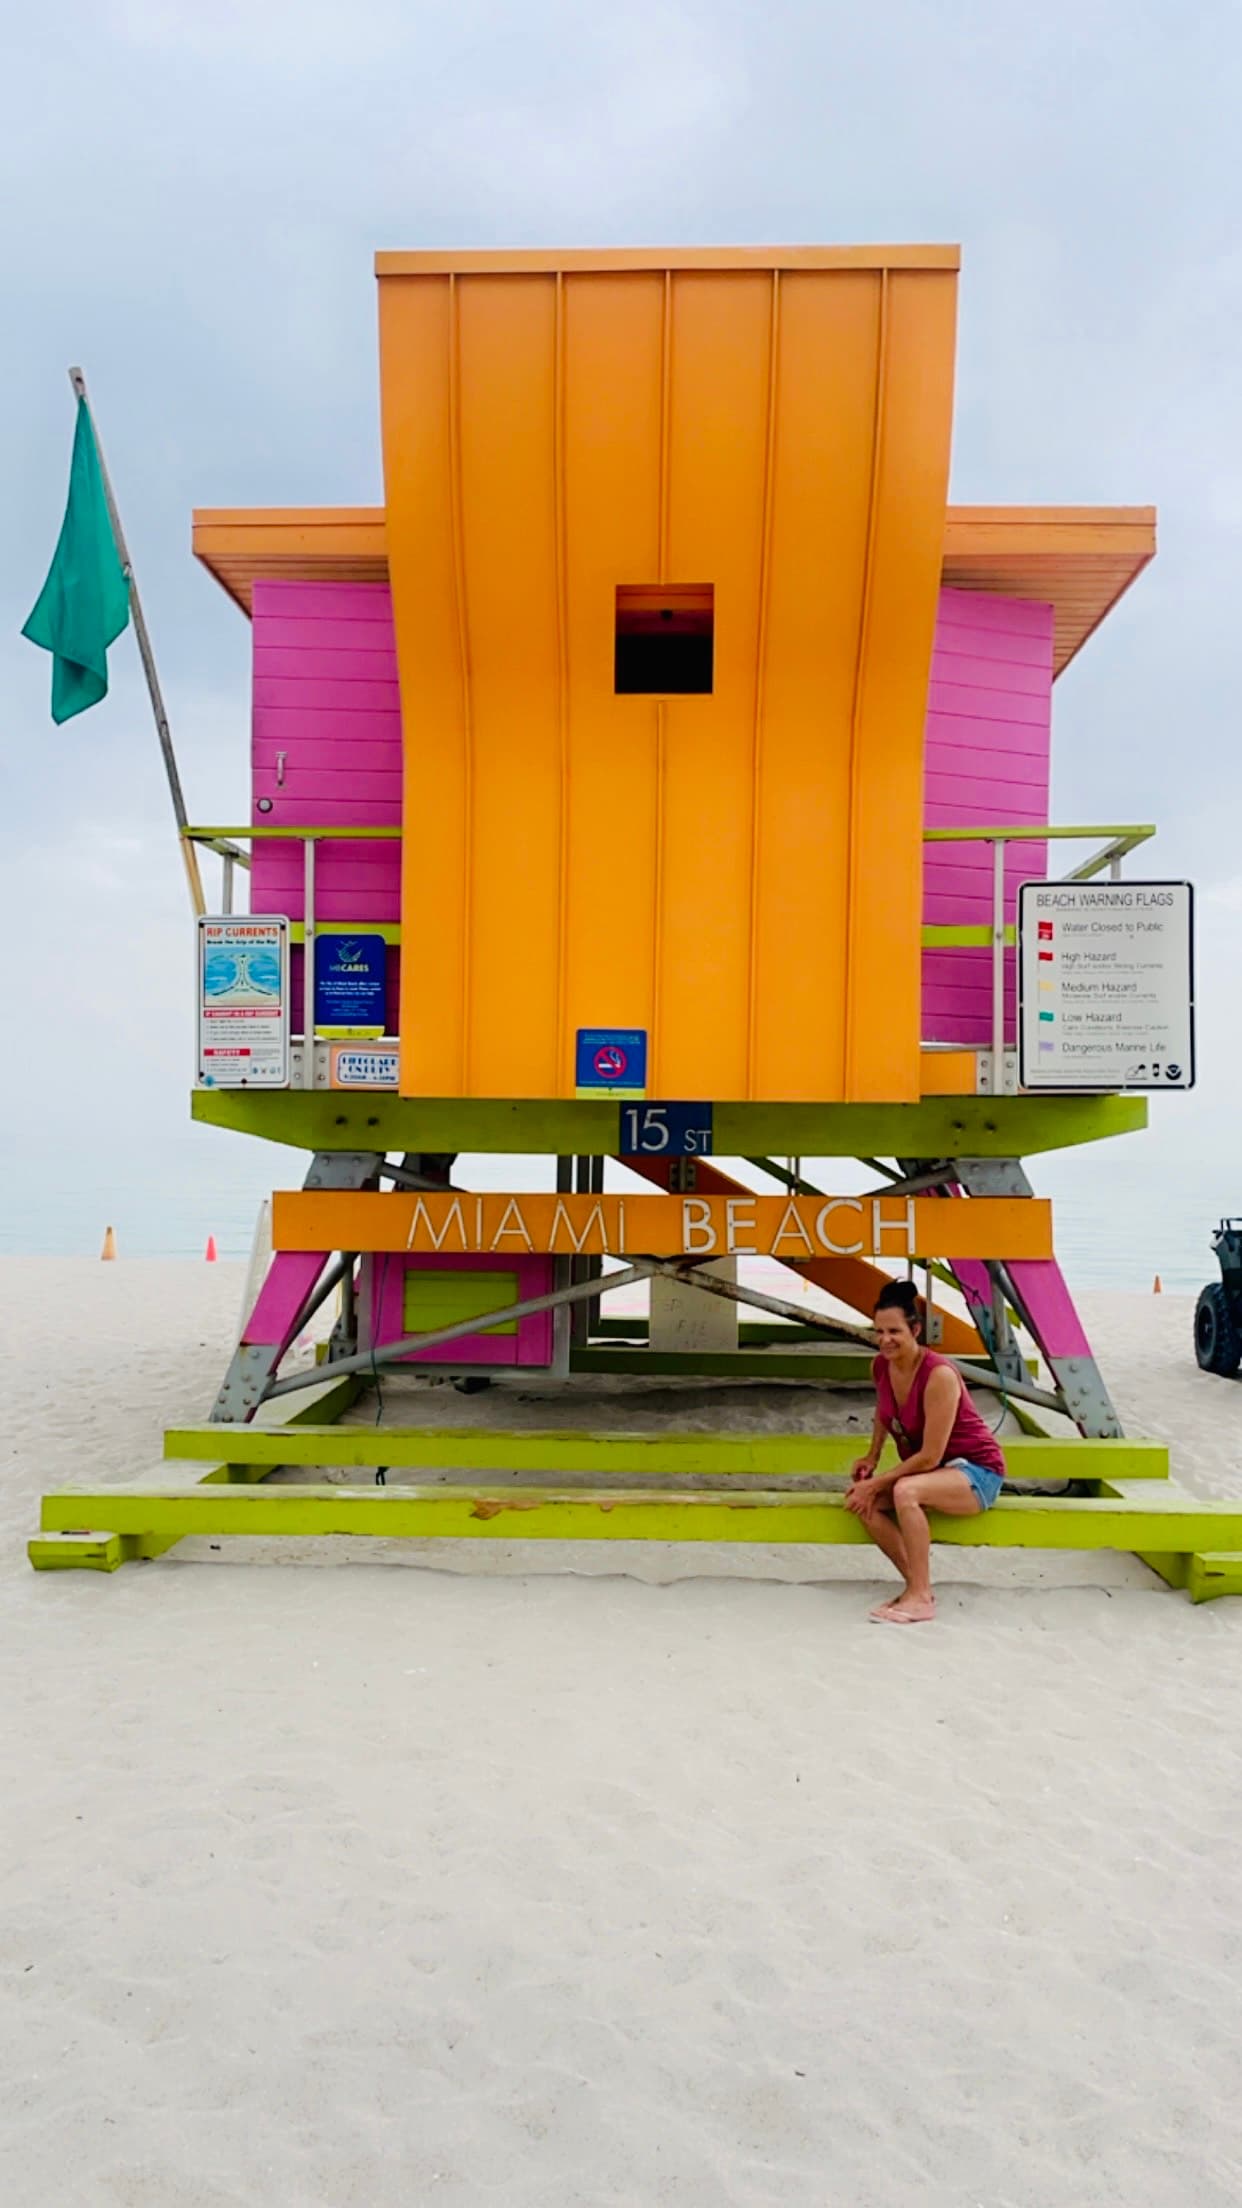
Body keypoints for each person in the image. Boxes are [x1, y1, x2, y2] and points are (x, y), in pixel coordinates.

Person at [845, 1279, 1006, 1625]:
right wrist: (871, 1458)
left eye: (894, 1331)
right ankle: (918, 1587)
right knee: (861, 1501)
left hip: (977, 1472)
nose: (885, 1339)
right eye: (879, 1331)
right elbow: (883, 1412)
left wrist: (880, 1482)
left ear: (915, 1329)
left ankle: (919, 1597)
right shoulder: (881, 1366)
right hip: (935, 1473)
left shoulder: (939, 1375)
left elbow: (931, 1456)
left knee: (905, 1490)